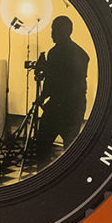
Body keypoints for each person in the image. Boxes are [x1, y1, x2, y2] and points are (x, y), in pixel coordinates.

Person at [36, 16, 89, 161]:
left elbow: (55, 80)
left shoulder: (55, 53)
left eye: (55, 30)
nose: (52, 33)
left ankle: (43, 177)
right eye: (52, 30)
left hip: (62, 107)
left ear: (66, 31)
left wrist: (42, 97)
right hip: (75, 106)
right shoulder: (82, 53)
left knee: (42, 146)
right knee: (70, 149)